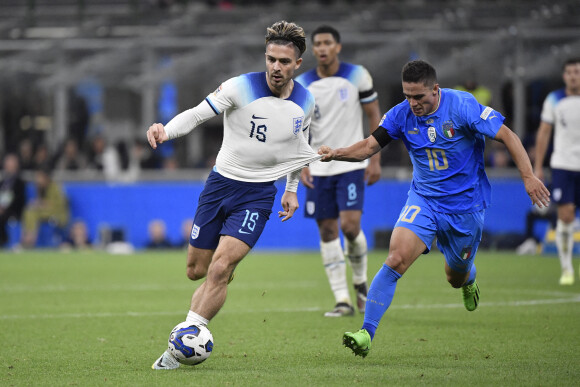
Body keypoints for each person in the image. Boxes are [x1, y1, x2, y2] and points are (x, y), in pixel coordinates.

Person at [317, 60, 550, 358]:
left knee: (455, 276)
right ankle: (366, 333)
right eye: (407, 96)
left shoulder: (462, 106)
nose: (412, 103)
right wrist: (335, 152)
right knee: (396, 257)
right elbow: (368, 147)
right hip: (424, 200)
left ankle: (469, 277)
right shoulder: (401, 114)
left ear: (435, 90)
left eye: (419, 97)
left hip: (465, 207)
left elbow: (507, 135)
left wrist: (528, 176)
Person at [146, 20, 321, 369]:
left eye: (284, 62)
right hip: (220, 185)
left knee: (221, 267)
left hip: (258, 194)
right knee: (197, 270)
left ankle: (180, 348)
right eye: (271, 58)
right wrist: (166, 130)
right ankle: (219, 277)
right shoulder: (239, 86)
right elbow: (197, 114)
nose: (276, 67)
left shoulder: (306, 102)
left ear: (297, 64)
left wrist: (290, 189)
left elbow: (299, 147)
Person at [295, 25, 382, 317]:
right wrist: (301, 164)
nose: (321, 48)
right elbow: (298, 128)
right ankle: (342, 299)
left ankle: (359, 280)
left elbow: (374, 116)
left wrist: (375, 160)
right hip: (318, 168)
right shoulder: (302, 83)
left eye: (326, 43)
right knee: (328, 230)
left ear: (337, 47)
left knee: (349, 226)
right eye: (317, 44)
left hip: (351, 164)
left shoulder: (358, 75)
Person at [534, 57, 580, 285]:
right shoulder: (554, 99)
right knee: (566, 215)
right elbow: (543, 133)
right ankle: (567, 268)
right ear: (564, 76)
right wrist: (538, 167)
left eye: (577, 72)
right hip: (563, 164)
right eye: (570, 72)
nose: (573, 76)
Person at [20, 167, 70, 248]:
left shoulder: (54, 187)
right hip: (45, 211)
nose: (37, 180)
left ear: (45, 177)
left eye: (39, 177)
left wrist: (39, 204)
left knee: (32, 212)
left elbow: (56, 204)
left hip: (58, 213)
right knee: (28, 211)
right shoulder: (40, 188)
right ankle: (26, 236)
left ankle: (30, 239)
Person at [0, 153, 26, 247]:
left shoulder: (19, 183)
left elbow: (19, 200)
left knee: (2, 217)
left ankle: (4, 241)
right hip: (2, 209)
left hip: (13, 210)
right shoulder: (2, 183)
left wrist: (4, 208)